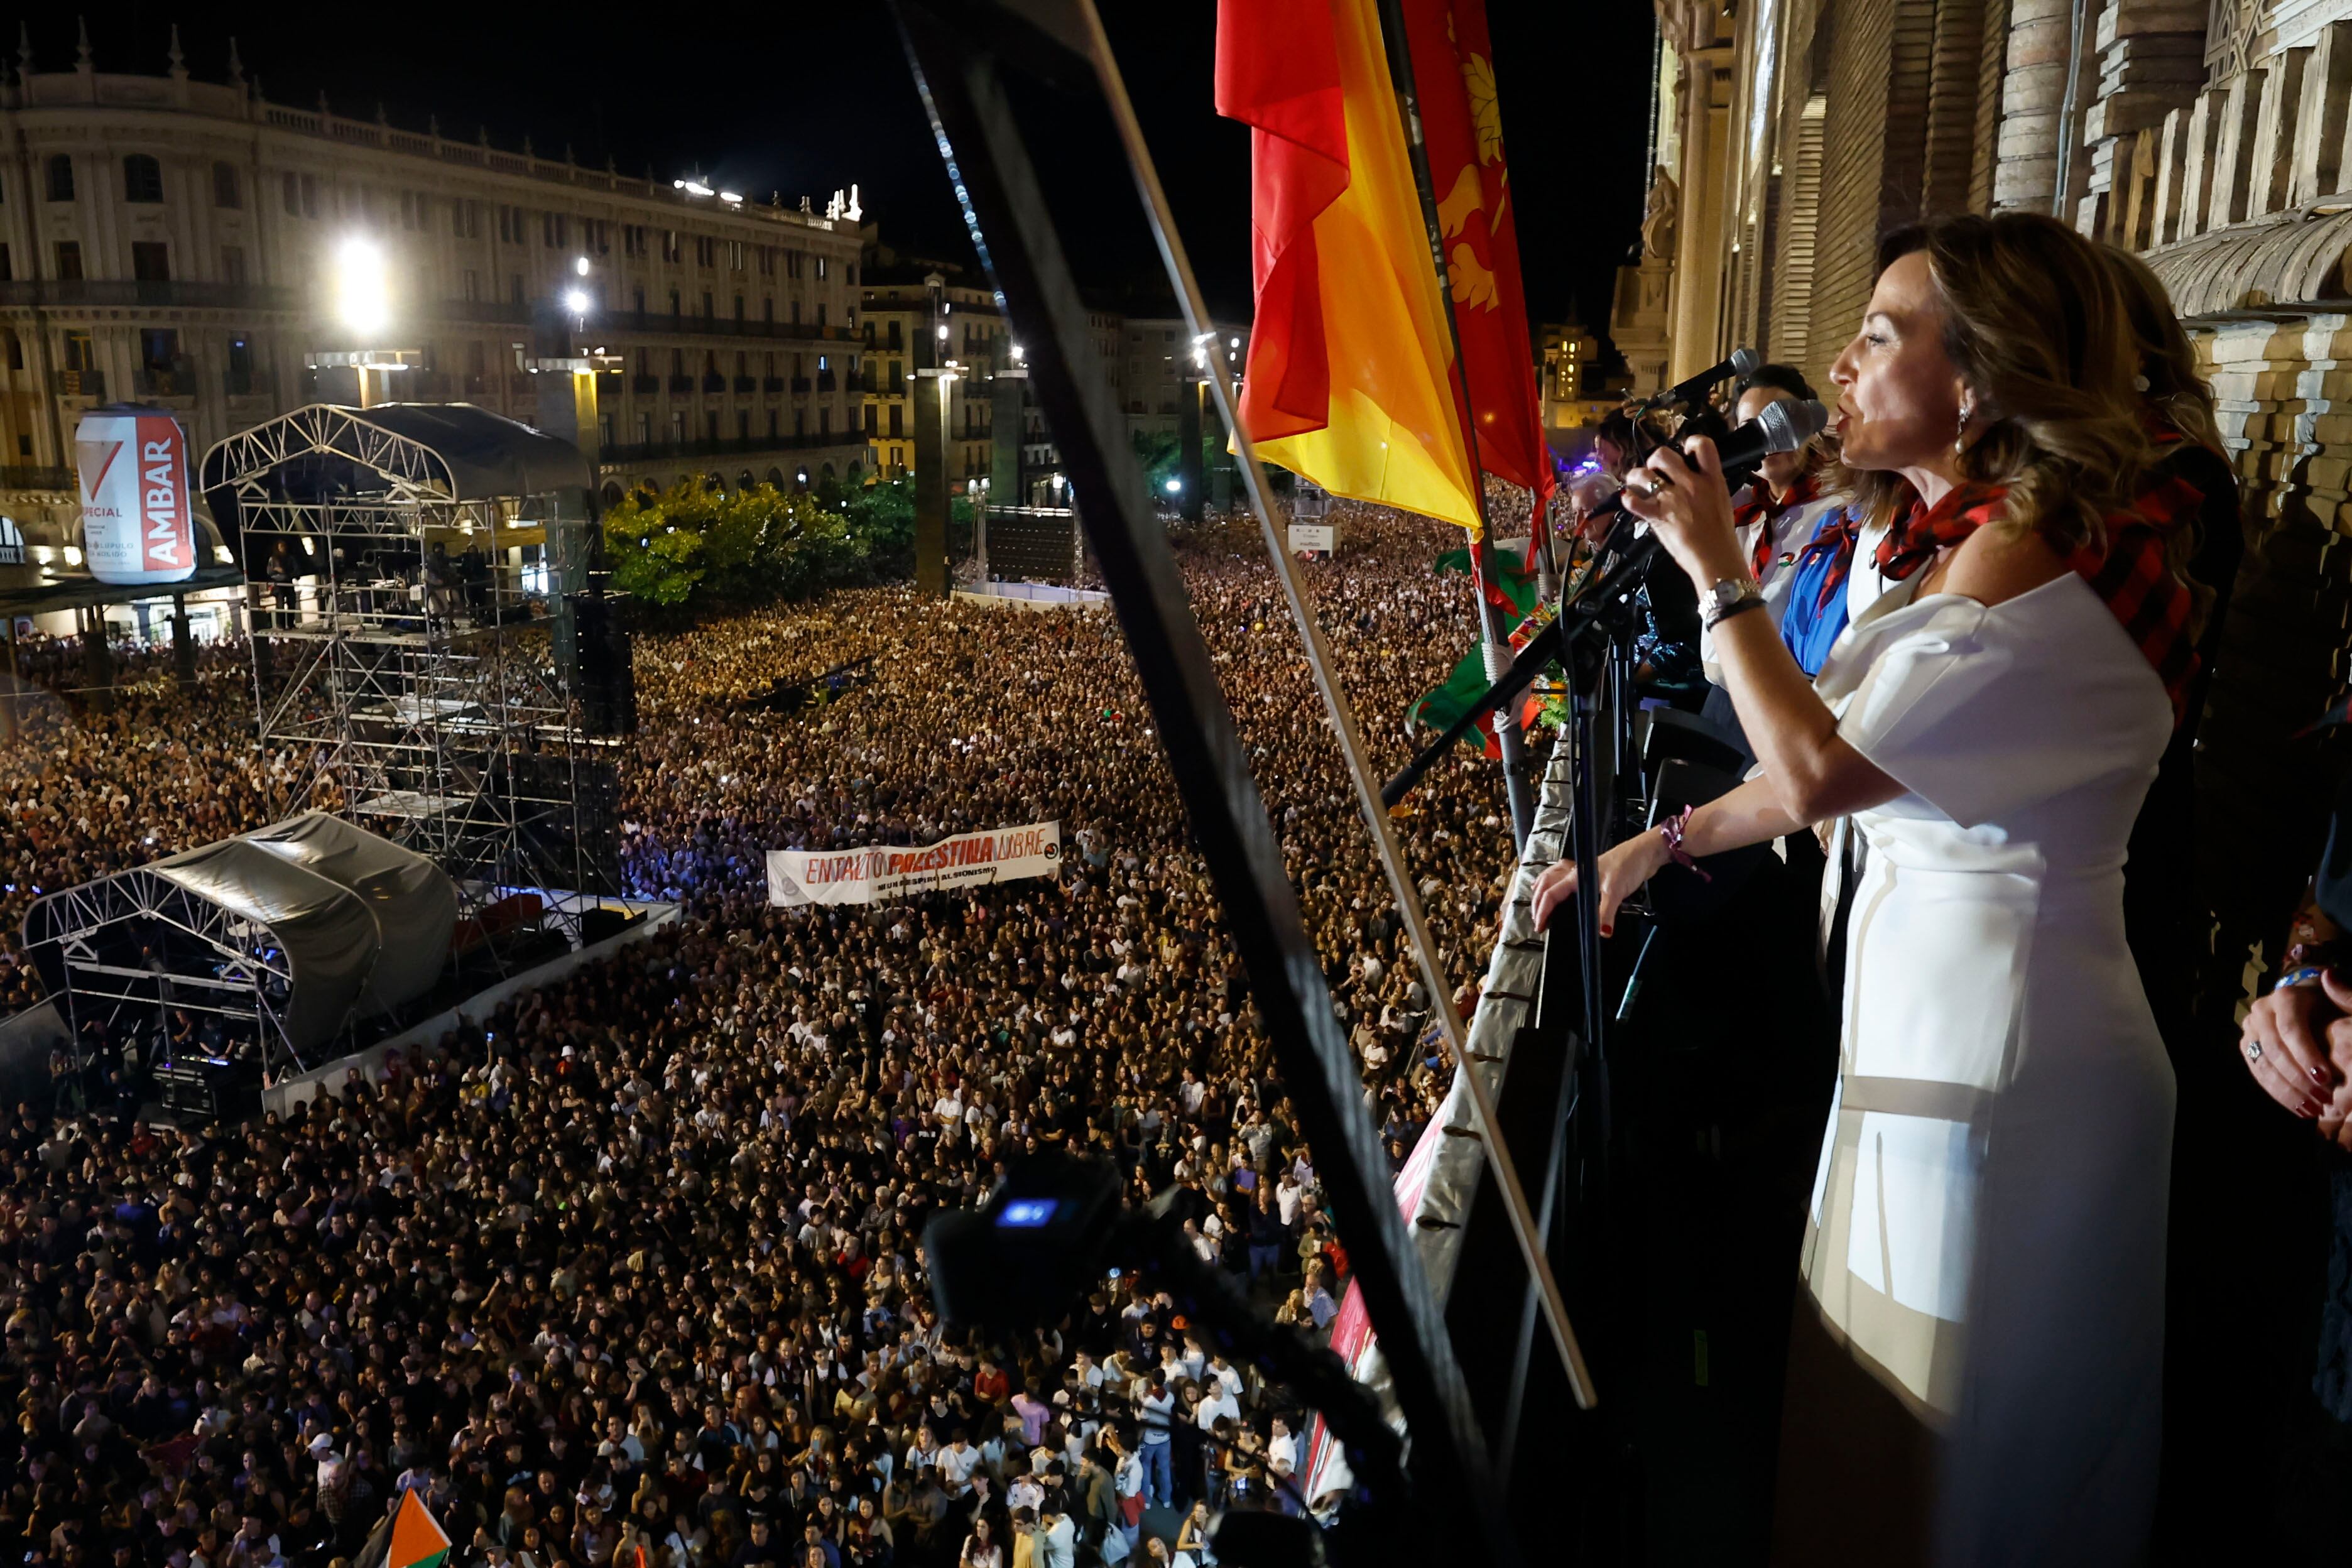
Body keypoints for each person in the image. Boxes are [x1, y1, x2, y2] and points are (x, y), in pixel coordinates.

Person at [1534, 210, 2199, 1561]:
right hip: (1919, 1037)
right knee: (1873, 1439)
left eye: (1882, 333)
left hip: (2009, 1068)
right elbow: (1815, 774)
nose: (1839, 362)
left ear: (1984, 375)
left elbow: (1823, 765)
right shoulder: (1956, 544)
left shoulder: (2042, 550)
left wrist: (1722, 567)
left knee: (1956, 1471)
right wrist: (1658, 844)